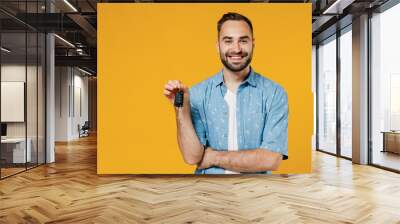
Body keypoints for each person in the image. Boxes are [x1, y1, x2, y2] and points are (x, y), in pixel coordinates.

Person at [163, 12, 288, 174]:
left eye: (243, 40)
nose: (236, 49)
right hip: (209, 192)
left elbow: (271, 159)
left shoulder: (274, 93)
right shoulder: (198, 93)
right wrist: (181, 109)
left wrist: (213, 157)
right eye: (228, 41)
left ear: (253, 44)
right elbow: (192, 157)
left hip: (256, 192)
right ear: (218, 46)